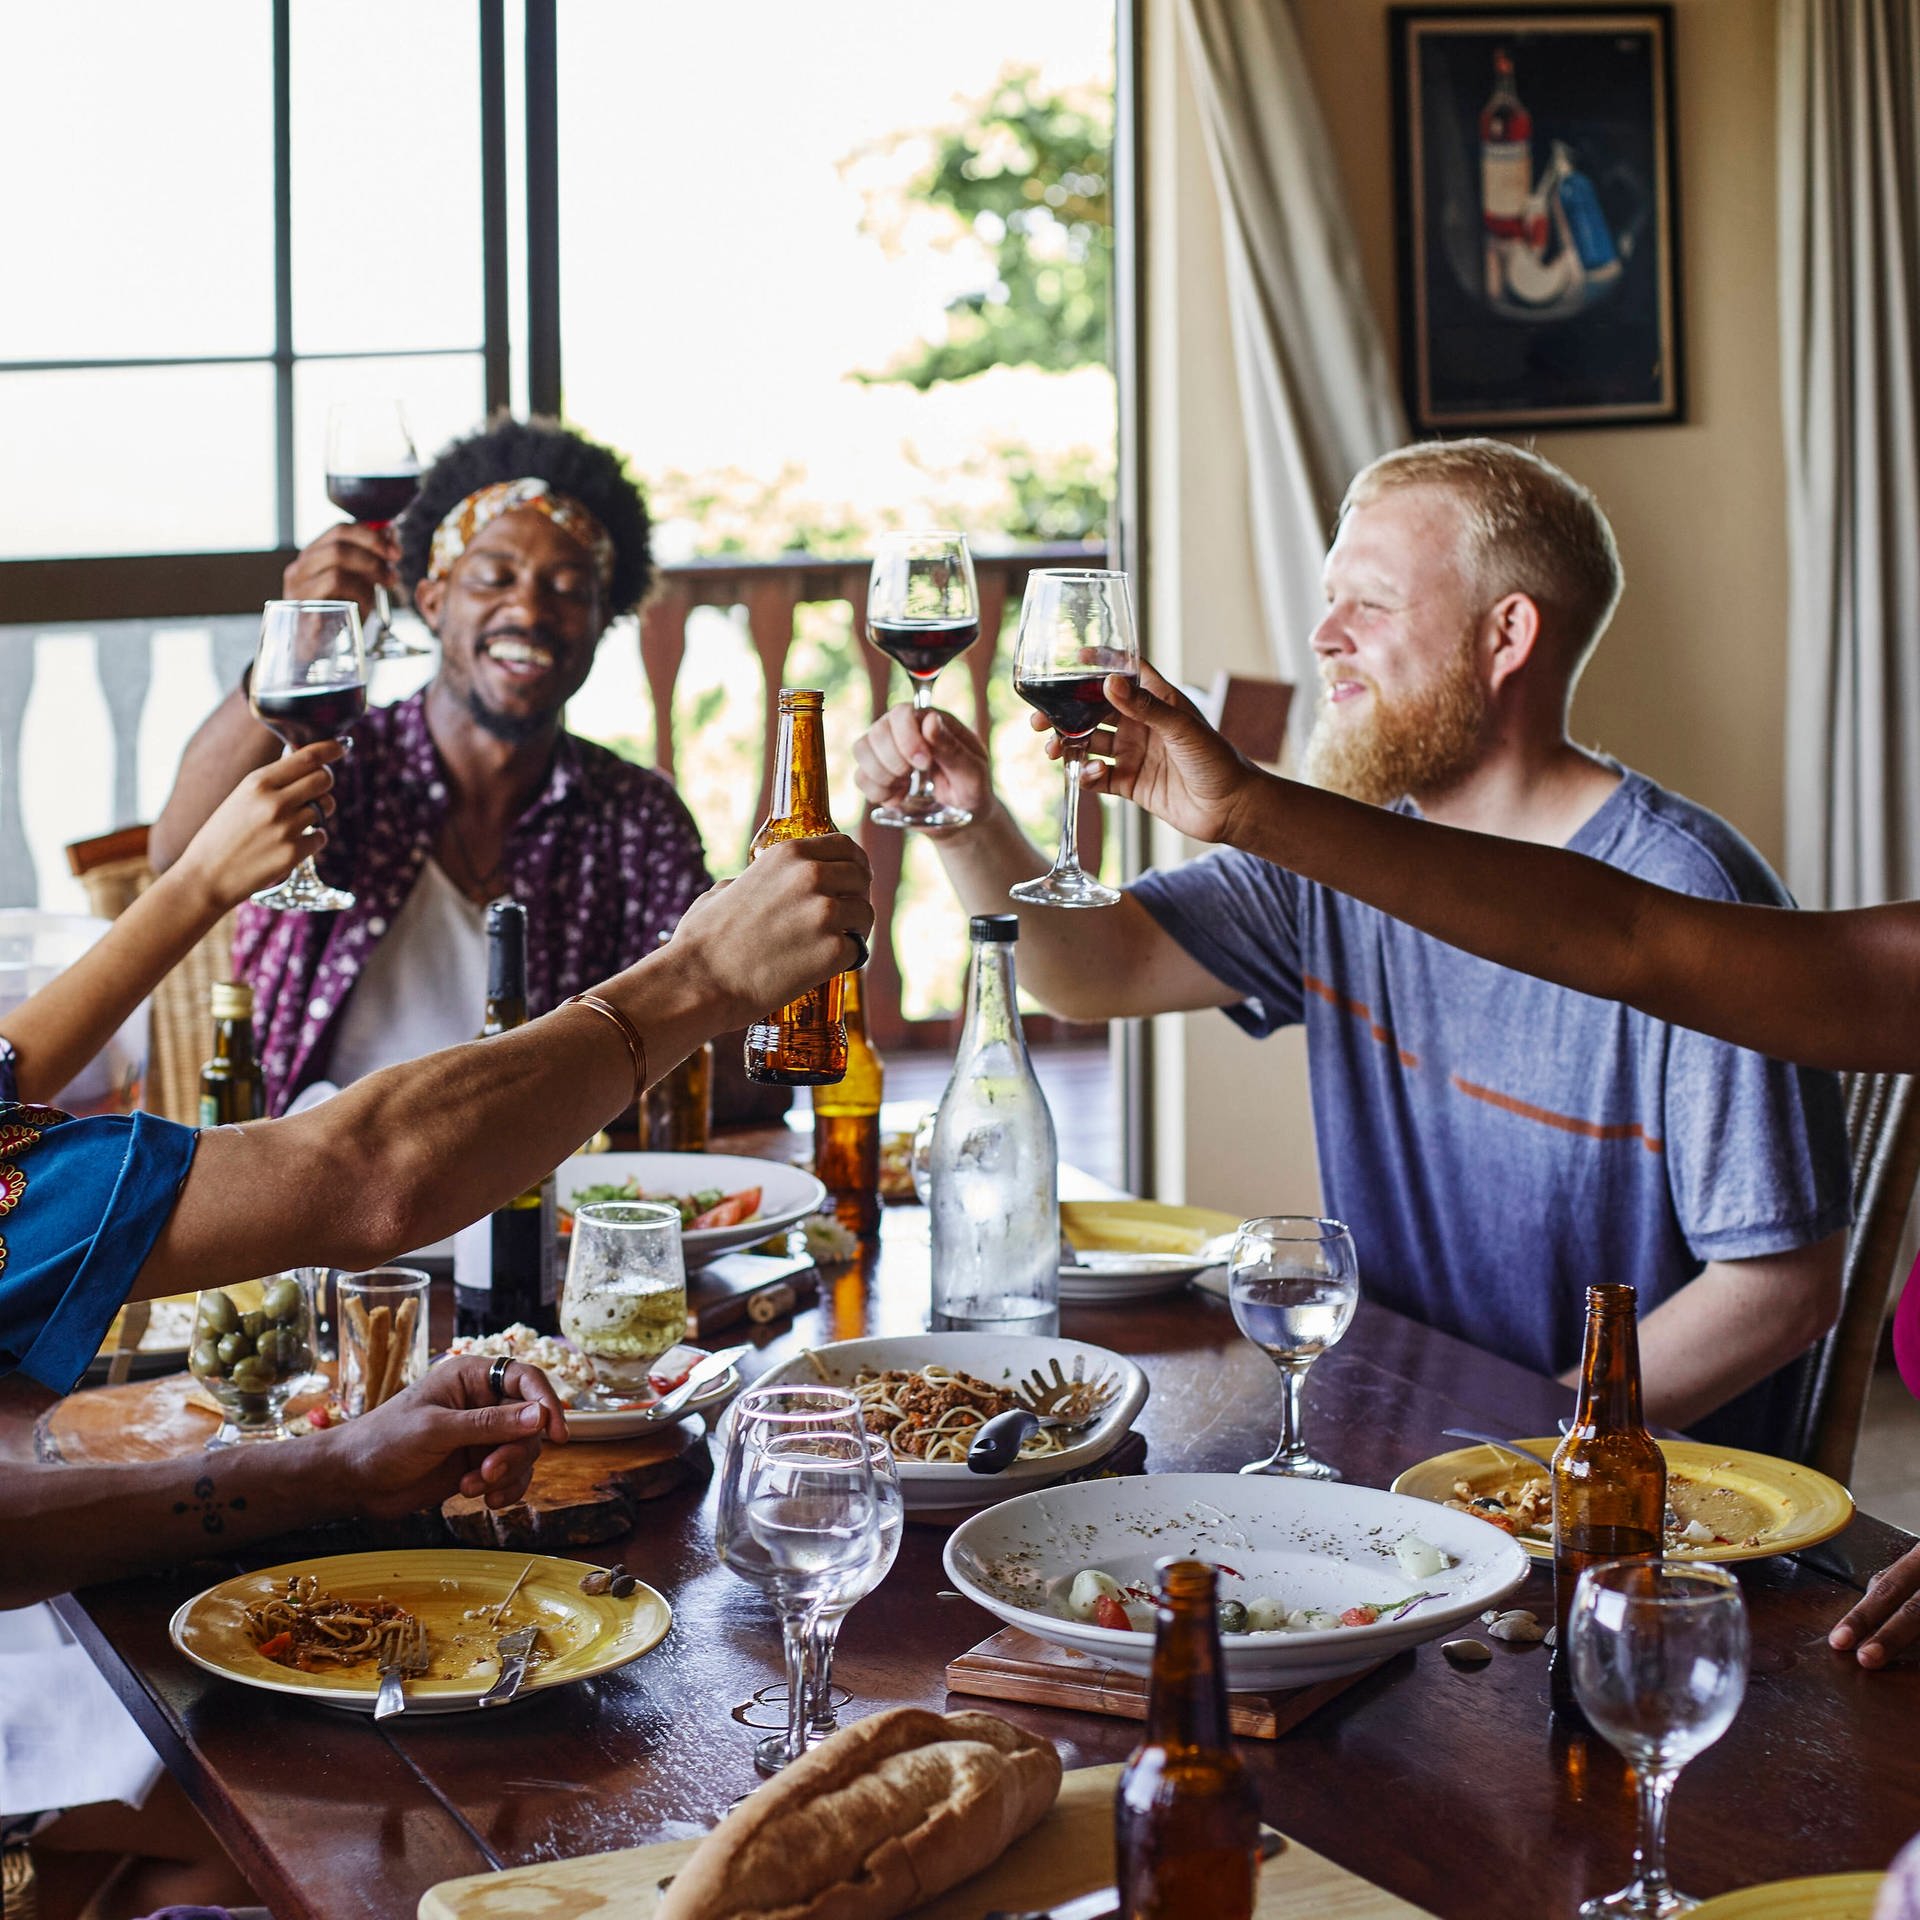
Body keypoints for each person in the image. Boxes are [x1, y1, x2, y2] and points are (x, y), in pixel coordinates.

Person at [854, 440, 1851, 1448]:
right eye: (1329, 601)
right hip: (1410, 1434)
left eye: (1369, 604)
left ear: (1508, 635)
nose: (1325, 636)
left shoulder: (1689, 892)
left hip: (1627, 1512)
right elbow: (1095, 970)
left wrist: (1516, 1448)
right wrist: (969, 821)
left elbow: (1781, 1292)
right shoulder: (1348, 856)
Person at [1047, 629, 1920, 1673]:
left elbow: (1637, 936)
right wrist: (1250, 812)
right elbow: (1627, 938)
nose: (1329, 631)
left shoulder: (1693, 863)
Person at [149, 415, 712, 1113]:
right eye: (494, 577)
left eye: (568, 588)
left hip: (537, 1193)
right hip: (314, 1182)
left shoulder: (636, 818)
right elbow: (177, 852)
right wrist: (294, 637)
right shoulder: (342, 769)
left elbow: (709, 1022)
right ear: (433, 601)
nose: (528, 609)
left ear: (603, 623)